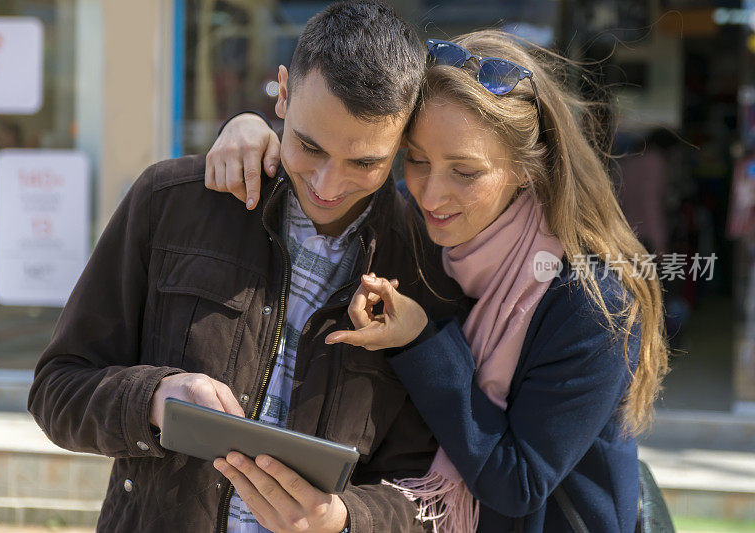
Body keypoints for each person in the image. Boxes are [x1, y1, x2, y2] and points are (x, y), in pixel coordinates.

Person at [27, 2, 467, 532]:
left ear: (402, 140)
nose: (328, 185)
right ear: (282, 92)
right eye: (309, 146)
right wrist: (155, 399)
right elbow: (57, 389)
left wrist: (346, 520)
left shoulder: (430, 268)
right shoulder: (173, 201)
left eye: (364, 163)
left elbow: (427, 490)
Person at [206, 31, 670, 533]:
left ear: (524, 169)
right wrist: (253, 132)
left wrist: (420, 340)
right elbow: (333, 159)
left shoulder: (592, 300)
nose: (430, 192)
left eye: (465, 172)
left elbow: (517, 483)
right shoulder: (421, 235)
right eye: (418, 159)